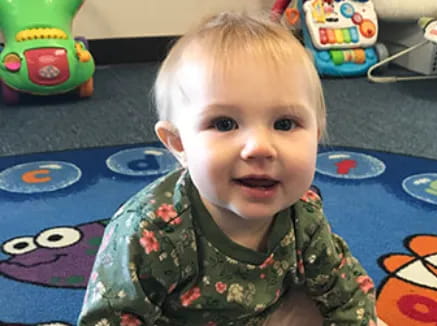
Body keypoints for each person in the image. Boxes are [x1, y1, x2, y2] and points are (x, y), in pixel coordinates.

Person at [78, 11, 379, 326]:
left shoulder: (303, 213)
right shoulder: (149, 231)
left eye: (285, 123)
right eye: (224, 123)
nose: (260, 147)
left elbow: (345, 293)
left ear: (315, 137)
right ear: (178, 143)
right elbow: (110, 319)